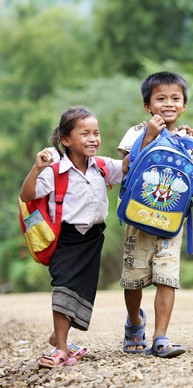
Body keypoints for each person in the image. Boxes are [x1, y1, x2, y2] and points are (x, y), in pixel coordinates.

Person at [117, 71, 193, 358]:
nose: (168, 104)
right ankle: (135, 321)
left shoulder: (188, 140)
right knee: (133, 280)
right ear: (148, 105)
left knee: (166, 278)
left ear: (184, 105)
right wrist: (149, 135)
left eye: (175, 98)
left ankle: (161, 336)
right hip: (138, 218)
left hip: (171, 223)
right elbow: (125, 167)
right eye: (160, 98)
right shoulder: (137, 131)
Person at [20, 106, 124, 368]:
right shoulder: (54, 172)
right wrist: (36, 168)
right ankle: (62, 350)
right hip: (66, 239)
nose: (93, 139)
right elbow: (27, 195)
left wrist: (151, 136)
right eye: (85, 133)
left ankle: (59, 336)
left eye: (96, 133)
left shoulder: (102, 166)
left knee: (81, 290)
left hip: (93, 238)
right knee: (64, 286)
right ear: (66, 140)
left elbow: (127, 166)